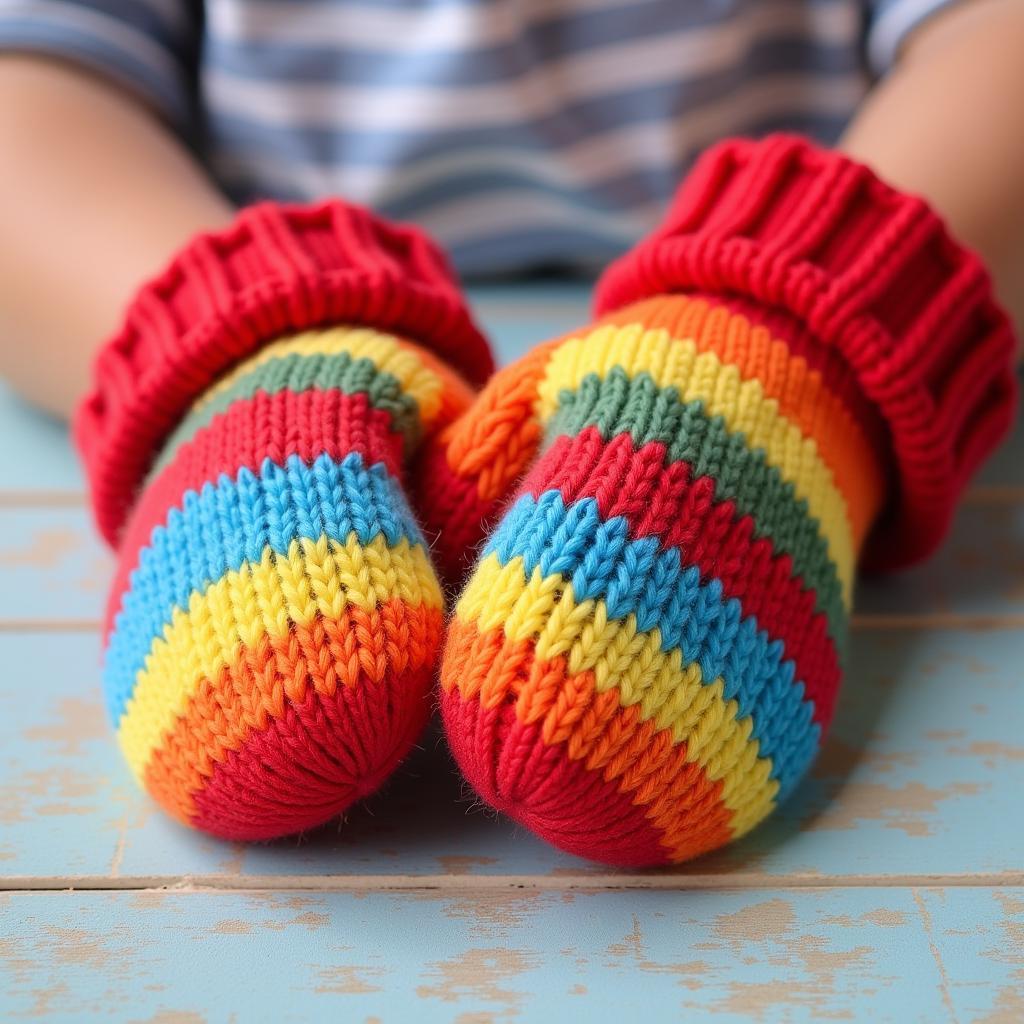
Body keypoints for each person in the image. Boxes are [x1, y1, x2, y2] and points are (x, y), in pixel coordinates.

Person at [0, 0, 1019, 864]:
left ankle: (791, 364)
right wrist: (237, 333)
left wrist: (793, 337)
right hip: (187, 234)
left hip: (841, 232)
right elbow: (33, 83)